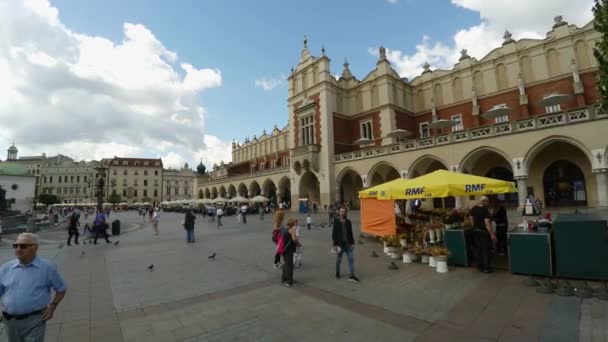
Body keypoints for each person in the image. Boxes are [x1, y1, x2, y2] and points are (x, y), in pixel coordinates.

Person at [0, 233, 67, 341]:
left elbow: (61, 289)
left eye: (23, 246)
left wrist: (52, 307)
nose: (18, 249)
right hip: (10, 321)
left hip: (35, 320)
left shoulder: (47, 267)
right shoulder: (6, 268)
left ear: (35, 247)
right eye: (15, 246)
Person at [332, 207, 360, 282]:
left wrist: (353, 242)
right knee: (338, 260)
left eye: (344, 211)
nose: (343, 213)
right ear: (339, 213)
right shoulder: (336, 222)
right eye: (341, 211)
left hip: (348, 245)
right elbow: (334, 234)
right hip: (340, 245)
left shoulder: (348, 222)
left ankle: (351, 275)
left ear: (346, 213)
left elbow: (350, 233)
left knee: (351, 260)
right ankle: (337, 272)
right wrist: (335, 244)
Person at [470, 196, 495, 273]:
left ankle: (479, 266)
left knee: (478, 249)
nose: (488, 203)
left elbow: (471, 221)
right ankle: (486, 268)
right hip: (484, 232)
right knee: (485, 250)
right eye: (487, 201)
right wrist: (492, 234)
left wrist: (474, 227)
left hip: (475, 231)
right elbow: (487, 223)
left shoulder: (473, 209)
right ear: (484, 201)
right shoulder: (485, 210)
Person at [280, 218, 298, 287]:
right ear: (292, 223)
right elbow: (294, 240)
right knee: (290, 265)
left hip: (283, 249)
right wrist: (298, 243)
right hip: (289, 250)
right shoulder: (291, 229)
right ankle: (290, 281)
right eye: (294, 223)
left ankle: (283, 278)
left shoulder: (283, 228)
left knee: (286, 264)